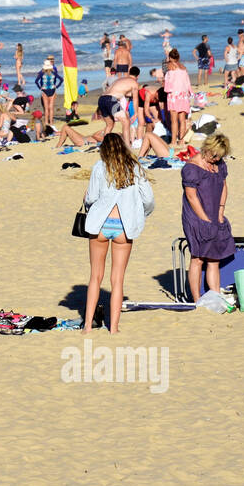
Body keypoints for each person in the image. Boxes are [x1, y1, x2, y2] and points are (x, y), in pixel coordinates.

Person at [80, 133, 154, 335]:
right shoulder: (135, 167)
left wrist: (87, 203)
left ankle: (87, 326)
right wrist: (141, 214)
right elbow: (148, 199)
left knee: (95, 276)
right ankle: (114, 328)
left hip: (101, 224)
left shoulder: (99, 166)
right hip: (124, 225)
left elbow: (92, 197)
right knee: (117, 279)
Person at [181, 134, 235, 301]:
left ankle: (215, 296)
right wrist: (204, 219)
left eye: (220, 156)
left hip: (214, 214)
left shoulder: (220, 165)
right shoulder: (191, 168)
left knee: (214, 258)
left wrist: (219, 212)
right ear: (207, 149)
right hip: (195, 216)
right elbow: (192, 197)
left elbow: (224, 187)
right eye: (214, 155)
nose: (216, 159)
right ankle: (197, 300)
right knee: (197, 258)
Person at [35, 59, 63, 128]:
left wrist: (40, 87)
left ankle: (46, 123)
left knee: (46, 108)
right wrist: (57, 86)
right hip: (52, 90)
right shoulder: (54, 72)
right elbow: (61, 79)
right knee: (51, 108)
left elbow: (36, 81)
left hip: (44, 91)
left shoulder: (41, 73)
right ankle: (51, 123)